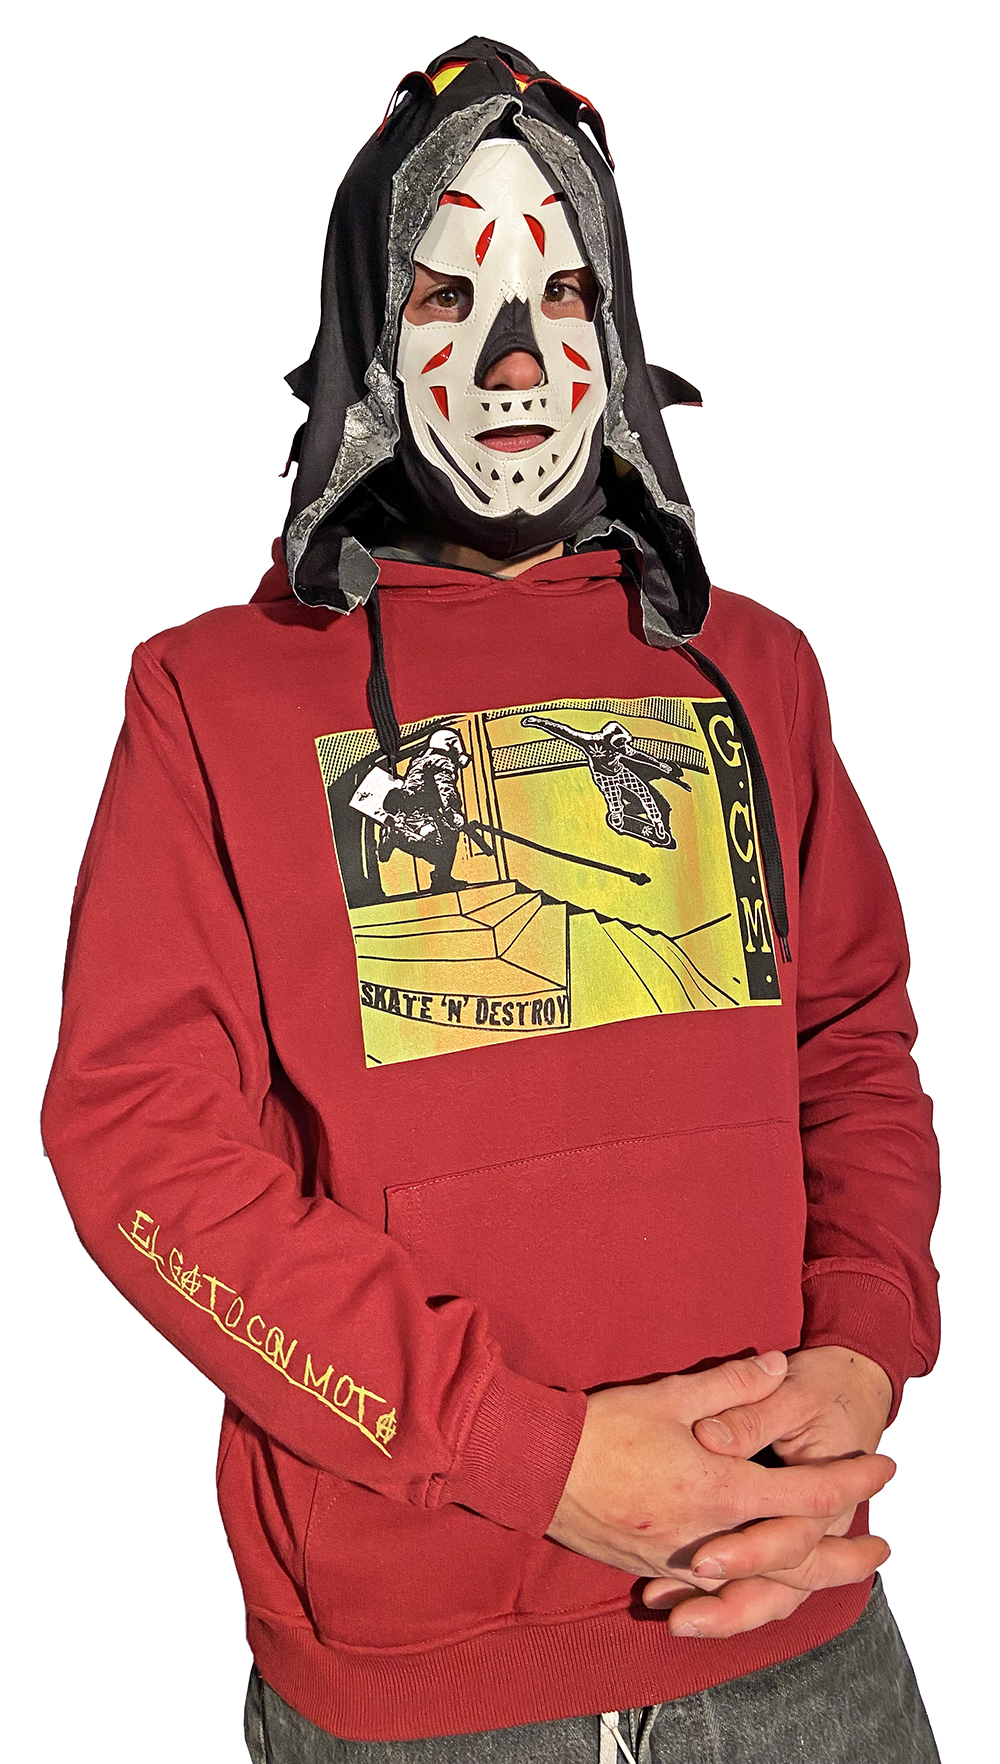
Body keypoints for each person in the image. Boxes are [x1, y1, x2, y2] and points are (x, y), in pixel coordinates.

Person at [42, 37, 941, 1764]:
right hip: (419, 1666)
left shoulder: (754, 670)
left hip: (795, 1625)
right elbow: (140, 1148)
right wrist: (530, 1455)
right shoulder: (212, 697)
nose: (517, 356)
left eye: (564, 292)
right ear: (368, 344)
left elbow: (848, 1049)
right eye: (451, 294)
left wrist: (860, 1359)